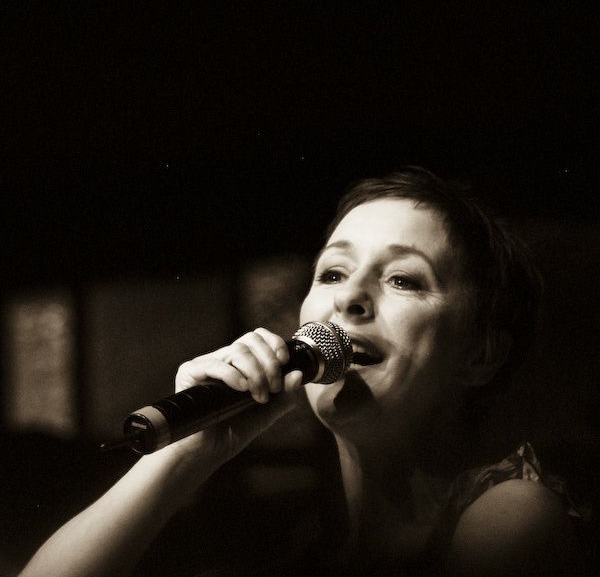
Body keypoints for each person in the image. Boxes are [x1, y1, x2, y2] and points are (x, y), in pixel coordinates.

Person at [19, 167, 591, 576]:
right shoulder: (309, 539)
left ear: (479, 355)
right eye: (334, 273)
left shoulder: (510, 518)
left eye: (404, 280)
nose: (350, 302)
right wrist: (183, 454)